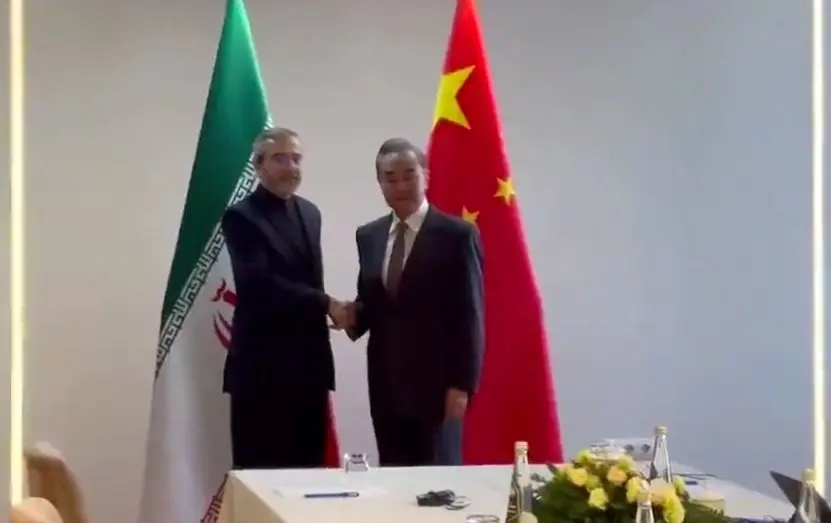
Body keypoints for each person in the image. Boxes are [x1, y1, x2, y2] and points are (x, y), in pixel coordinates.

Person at [336, 137, 485, 466]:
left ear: (426, 176)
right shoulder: (369, 235)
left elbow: (470, 316)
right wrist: (348, 314)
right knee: (393, 477)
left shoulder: (457, 235)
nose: (401, 185)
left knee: (436, 482)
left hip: (438, 388)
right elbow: (372, 302)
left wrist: (462, 386)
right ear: (379, 182)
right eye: (390, 177)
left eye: (409, 175)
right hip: (386, 384)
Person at [221, 127, 350, 469]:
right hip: (260, 372)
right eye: (280, 159)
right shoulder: (241, 217)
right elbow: (258, 284)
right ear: (258, 165)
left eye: (296, 158)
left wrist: (341, 311)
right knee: (260, 479)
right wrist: (326, 304)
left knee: (309, 479)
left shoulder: (311, 213)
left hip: (310, 369)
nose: (291, 167)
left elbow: (307, 280)